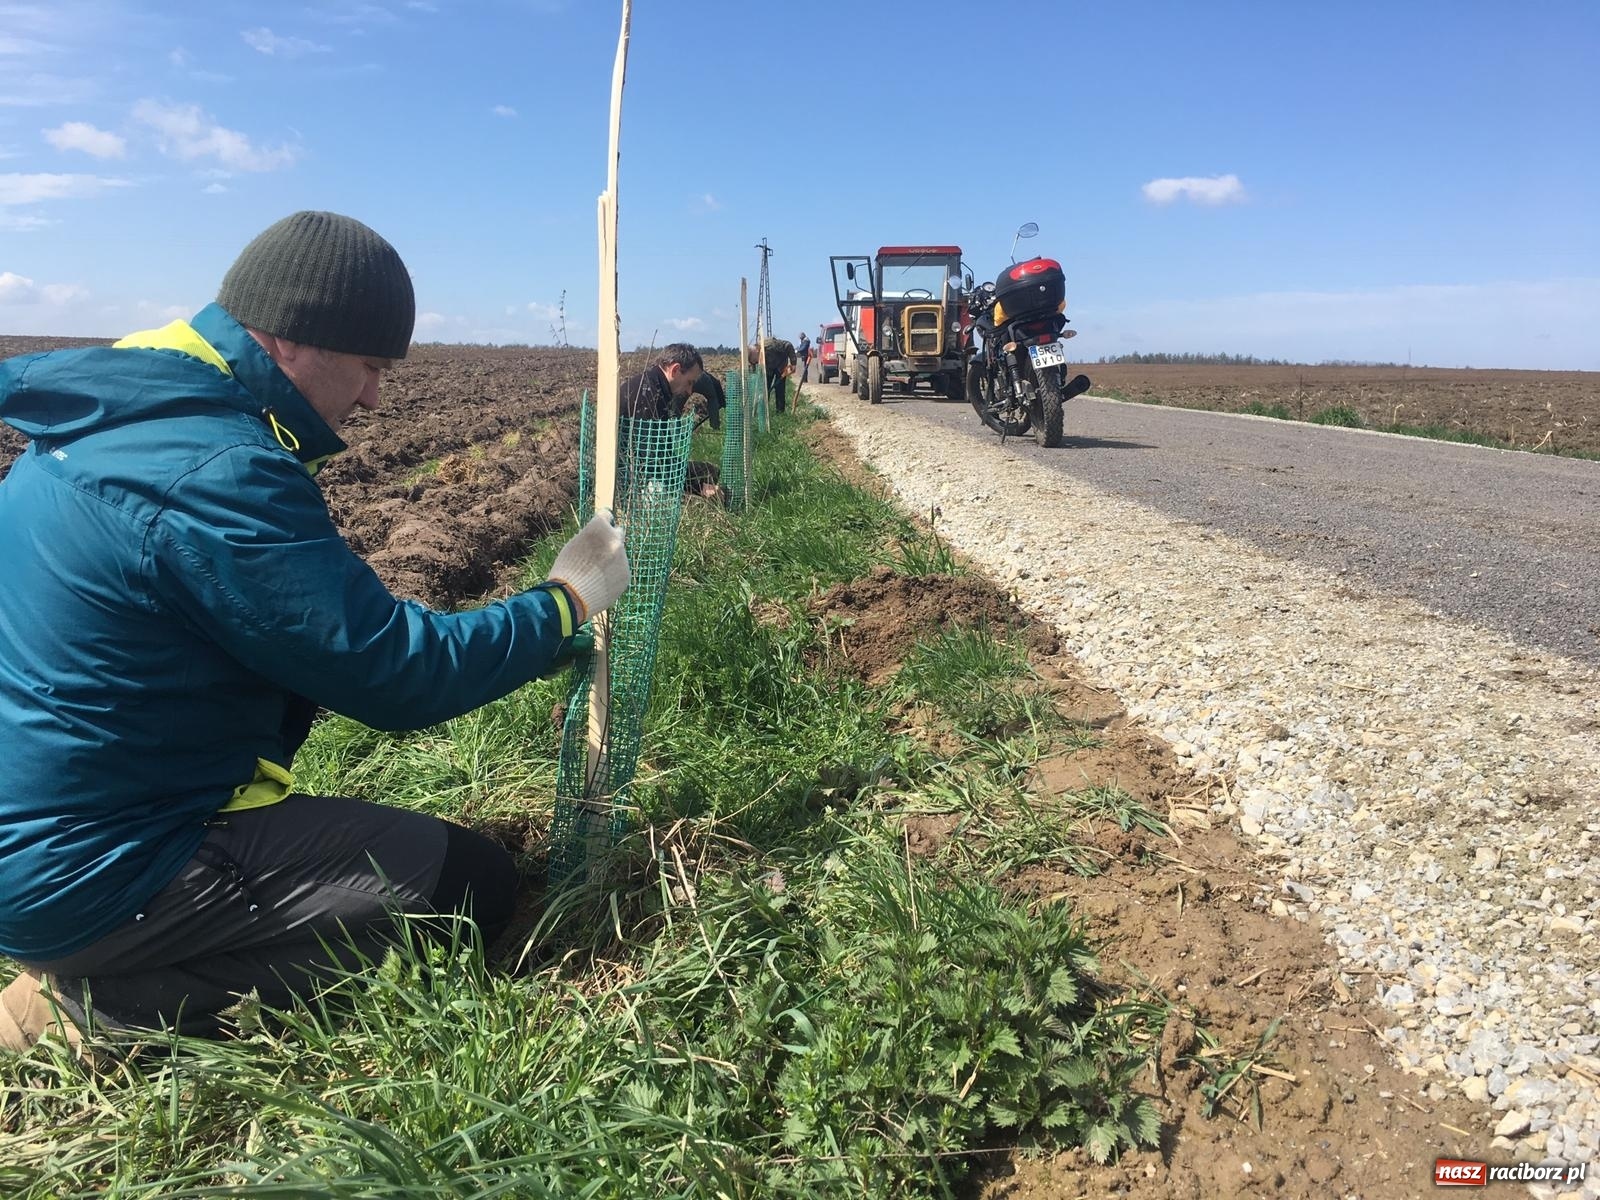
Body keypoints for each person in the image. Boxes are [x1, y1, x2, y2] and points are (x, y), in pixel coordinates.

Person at [0, 211, 631, 1051]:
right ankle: (88, 1013)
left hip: (51, 829)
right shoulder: (217, 469)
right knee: (470, 893)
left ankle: (94, 951)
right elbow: (396, 672)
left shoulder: (114, 417)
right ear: (292, 340)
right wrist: (562, 602)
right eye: (371, 365)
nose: (375, 396)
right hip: (107, 860)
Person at [618, 343, 724, 501]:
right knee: (703, 482)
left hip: (642, 469)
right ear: (675, 370)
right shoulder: (649, 397)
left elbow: (662, 455)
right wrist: (698, 487)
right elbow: (654, 462)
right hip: (630, 481)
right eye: (689, 382)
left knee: (708, 471)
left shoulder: (656, 387)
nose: (689, 391)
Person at [749, 336, 796, 414]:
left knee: (780, 390)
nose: (757, 362)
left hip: (780, 367)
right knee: (765, 390)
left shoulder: (770, 346)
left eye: (755, 360)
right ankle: (764, 412)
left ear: (756, 351)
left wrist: (793, 363)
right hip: (769, 370)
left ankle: (780, 412)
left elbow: (788, 345)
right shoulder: (759, 356)